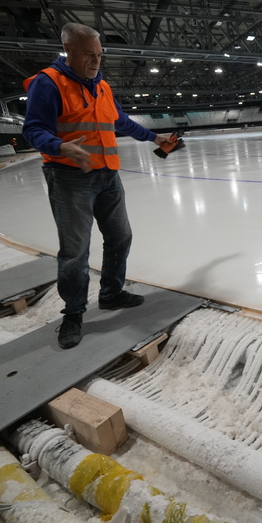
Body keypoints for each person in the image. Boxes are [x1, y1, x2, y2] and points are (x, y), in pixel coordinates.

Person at [22, 23, 176, 349]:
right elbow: (33, 130)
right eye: (89, 55)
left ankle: (111, 293)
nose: (96, 60)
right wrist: (62, 146)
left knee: (121, 236)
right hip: (69, 178)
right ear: (69, 51)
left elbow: (118, 121)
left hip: (107, 174)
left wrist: (154, 137)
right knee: (75, 250)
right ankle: (74, 313)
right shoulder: (48, 83)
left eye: (100, 54)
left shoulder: (102, 85)